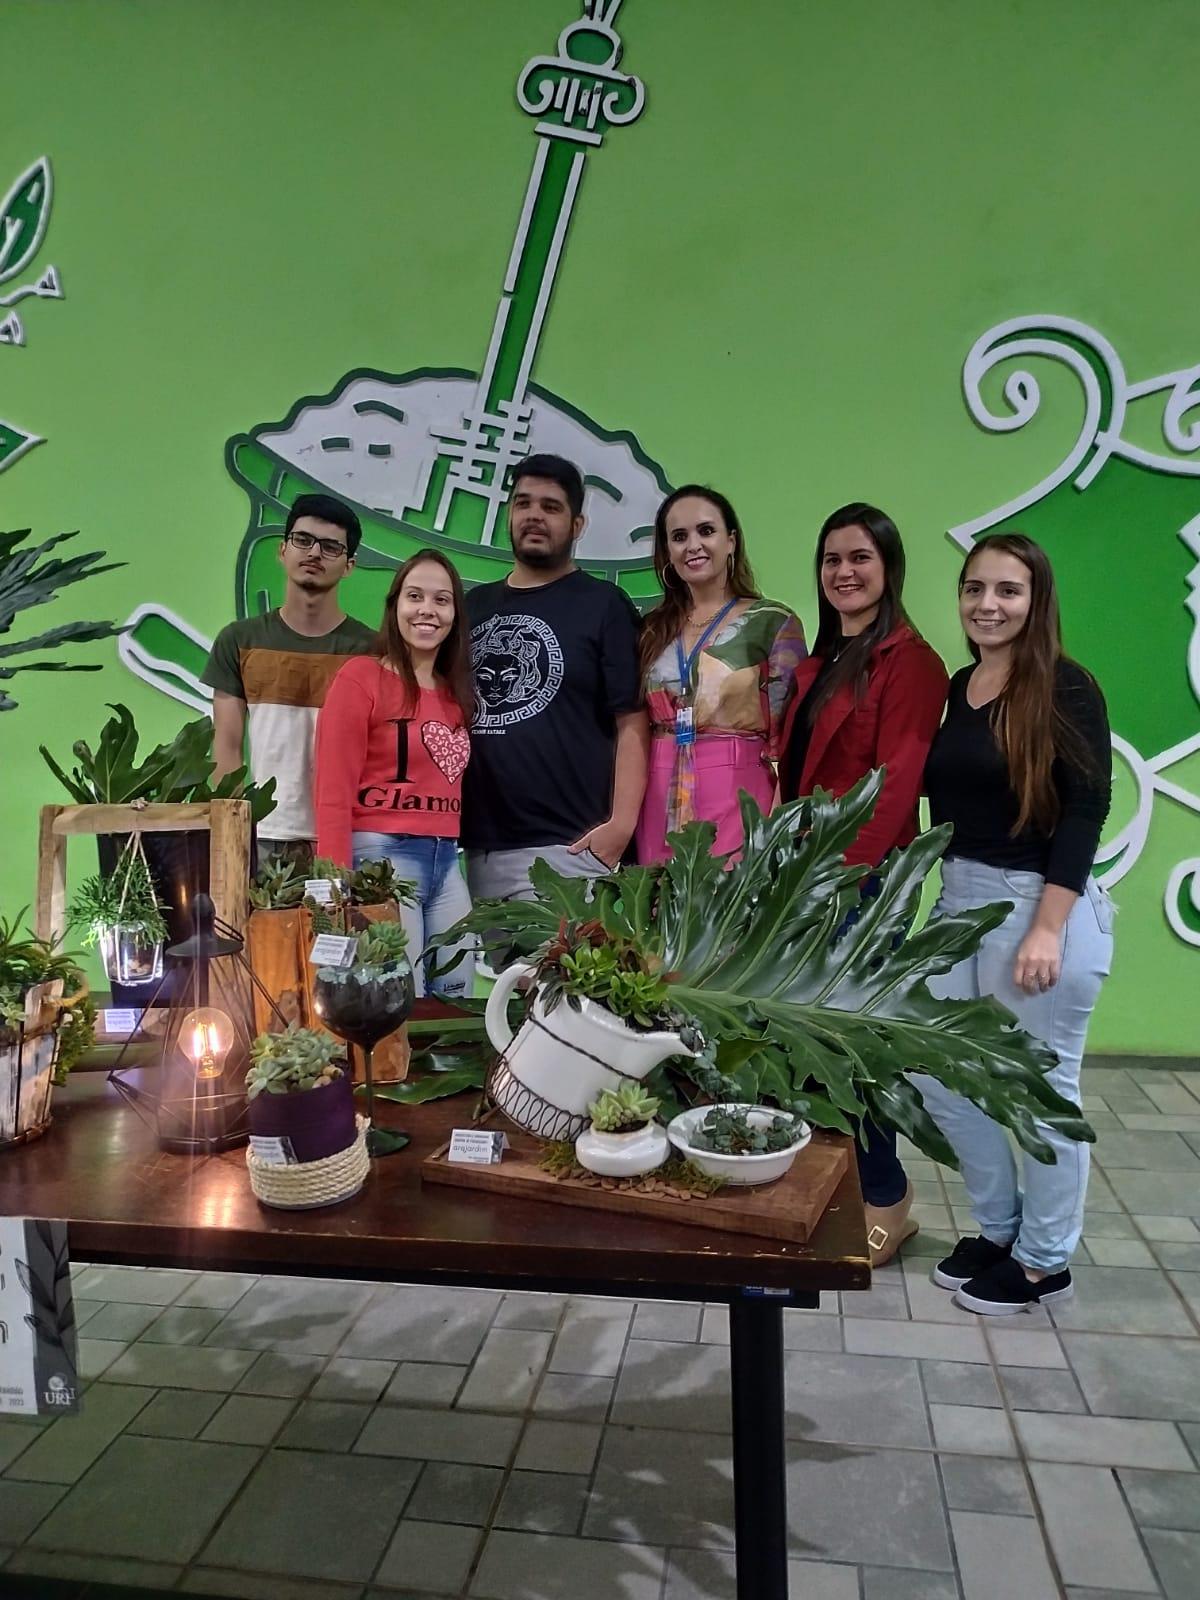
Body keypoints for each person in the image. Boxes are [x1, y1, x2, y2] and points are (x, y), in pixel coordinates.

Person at [918, 532, 1113, 1314]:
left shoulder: (1066, 686)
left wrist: (1047, 928)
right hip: (959, 899)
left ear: (1037, 601)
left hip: (1037, 902)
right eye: (975, 588)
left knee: (1039, 1093)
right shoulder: (962, 682)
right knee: (932, 1068)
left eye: (1008, 590)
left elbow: (1087, 807)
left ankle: (1043, 1261)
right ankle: (1001, 1229)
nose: (987, 604)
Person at [778, 503, 949, 1267]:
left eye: (860, 558)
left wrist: (842, 881)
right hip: (805, 876)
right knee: (814, 1039)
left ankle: (887, 1194)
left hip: (865, 879)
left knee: (855, 1041)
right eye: (831, 559)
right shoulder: (824, 661)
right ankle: (835, 1179)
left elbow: (895, 785)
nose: (843, 572)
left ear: (889, 568)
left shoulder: (912, 663)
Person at [461, 453, 648, 907]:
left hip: (568, 850)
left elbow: (633, 722)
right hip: (475, 853)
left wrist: (621, 827)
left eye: (551, 507)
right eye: (523, 503)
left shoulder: (604, 605)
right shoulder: (472, 607)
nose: (534, 516)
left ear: (577, 524)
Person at [313, 550, 476, 998]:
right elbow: (332, 791)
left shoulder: (455, 694)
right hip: (382, 859)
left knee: (457, 998)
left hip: (448, 863)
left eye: (442, 600)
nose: (427, 610)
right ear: (395, 606)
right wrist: (333, 889)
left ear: (455, 614)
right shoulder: (361, 678)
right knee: (401, 1002)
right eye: (415, 596)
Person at [203, 492, 376, 869]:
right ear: (282, 550)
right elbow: (226, 746)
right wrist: (235, 832)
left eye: (330, 547)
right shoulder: (239, 640)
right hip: (261, 836)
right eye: (303, 540)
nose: (314, 553)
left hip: (345, 836)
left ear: (349, 566)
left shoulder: (373, 651)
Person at [635, 485, 806, 862]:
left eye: (706, 531)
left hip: (738, 792)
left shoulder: (772, 622)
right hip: (656, 793)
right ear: (667, 552)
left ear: (731, 541)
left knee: (733, 898)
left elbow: (793, 740)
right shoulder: (649, 628)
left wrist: (777, 828)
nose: (693, 545)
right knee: (657, 898)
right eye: (679, 536)